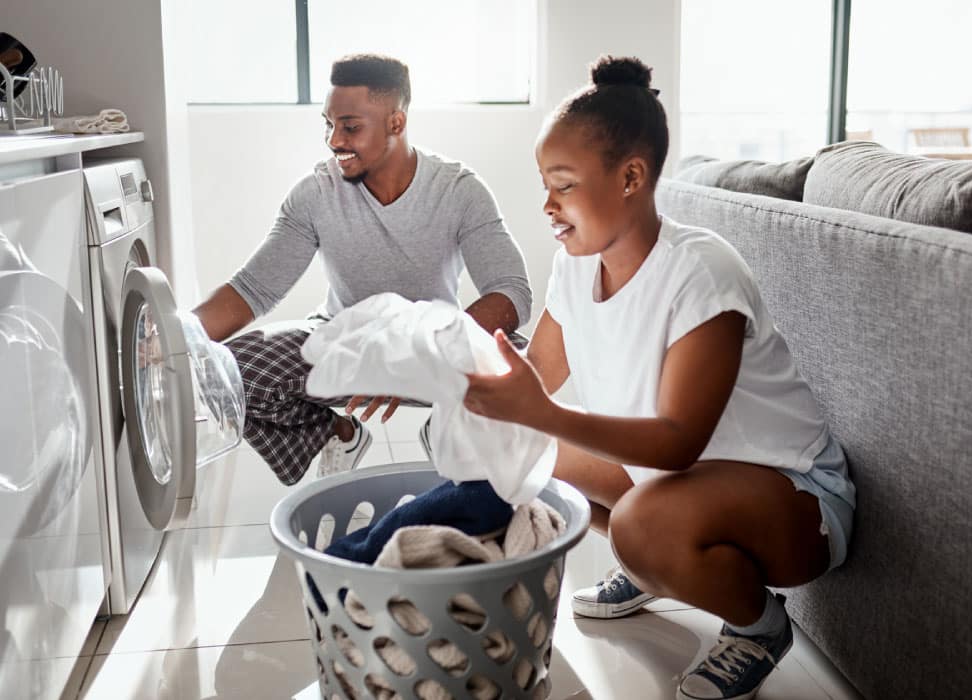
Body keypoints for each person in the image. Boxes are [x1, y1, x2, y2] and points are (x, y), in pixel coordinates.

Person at [462, 56, 856, 700]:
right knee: (522, 449)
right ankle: (660, 569)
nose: (547, 204)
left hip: (796, 500)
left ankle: (758, 628)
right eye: (544, 184)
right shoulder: (574, 264)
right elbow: (542, 372)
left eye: (562, 184)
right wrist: (463, 383)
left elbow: (678, 441)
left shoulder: (700, 273)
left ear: (631, 177)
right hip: (680, 485)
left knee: (639, 525)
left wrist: (540, 413)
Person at [194, 54, 531, 486]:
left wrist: (416, 350)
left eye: (350, 126)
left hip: (433, 349)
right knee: (228, 369)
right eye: (328, 125)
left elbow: (511, 292)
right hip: (344, 343)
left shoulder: (459, 190)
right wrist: (181, 333)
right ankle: (338, 434)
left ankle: (449, 428)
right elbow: (252, 290)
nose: (334, 140)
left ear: (396, 123)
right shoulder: (316, 193)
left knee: (522, 361)